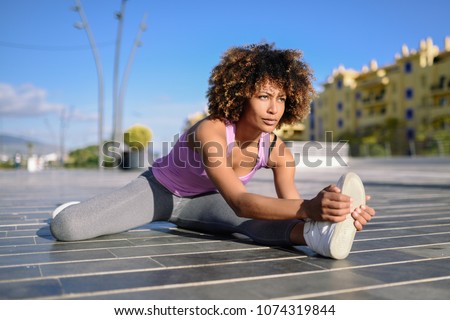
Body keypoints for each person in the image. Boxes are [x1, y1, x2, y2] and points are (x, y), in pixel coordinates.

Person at [51, 43, 375, 259]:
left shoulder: (278, 152)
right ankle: (88, 208)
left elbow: (288, 203)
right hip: (161, 190)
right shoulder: (212, 130)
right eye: (263, 96)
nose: (274, 108)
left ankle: (317, 237)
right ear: (240, 94)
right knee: (68, 227)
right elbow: (241, 200)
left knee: (246, 224)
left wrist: (329, 210)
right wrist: (308, 207)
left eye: (282, 99)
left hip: (208, 203)